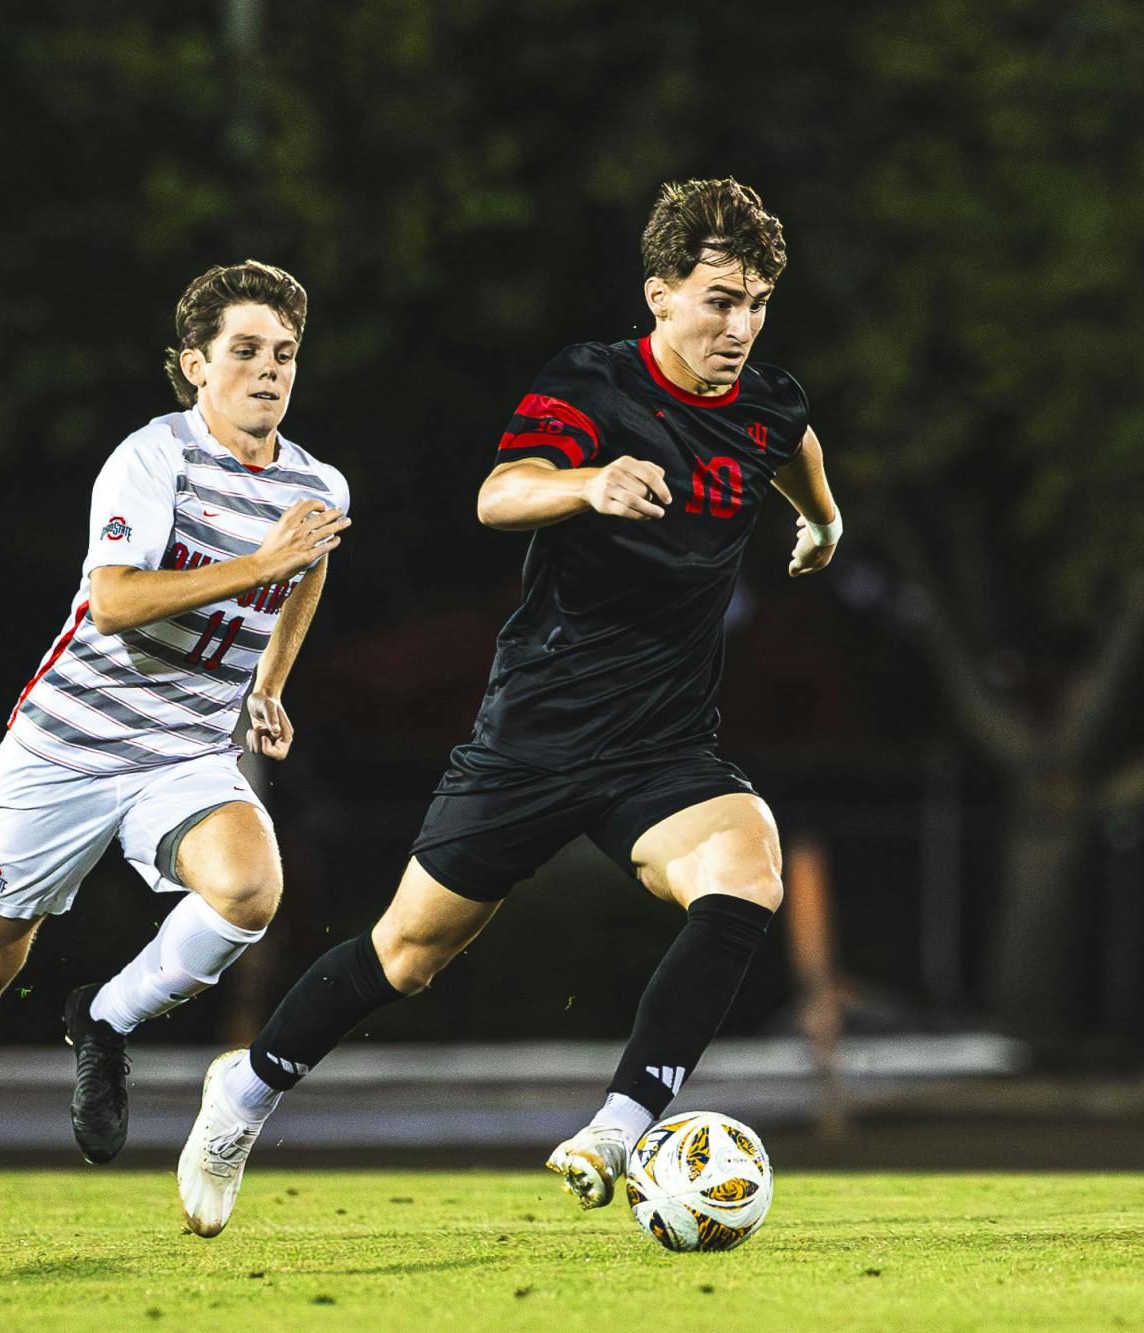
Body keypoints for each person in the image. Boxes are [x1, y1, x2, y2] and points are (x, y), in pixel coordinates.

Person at [173, 177, 843, 1238]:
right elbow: (499, 492)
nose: (739, 326)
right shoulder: (593, 380)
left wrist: (821, 522)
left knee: (745, 866)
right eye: (719, 300)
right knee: (408, 954)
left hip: (662, 745)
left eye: (756, 302)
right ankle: (242, 1093)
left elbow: (793, 448)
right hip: (534, 735)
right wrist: (585, 484)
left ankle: (619, 1127)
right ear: (658, 293)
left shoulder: (768, 400)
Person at [0, 261, 352, 1246]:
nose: (267, 370)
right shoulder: (149, 459)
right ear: (194, 365)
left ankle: (106, 1019)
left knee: (252, 890)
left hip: (181, 751)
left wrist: (268, 686)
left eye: (283, 354)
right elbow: (118, 601)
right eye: (244, 351)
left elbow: (308, 573)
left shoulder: (316, 484)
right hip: (69, 746)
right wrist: (259, 562)